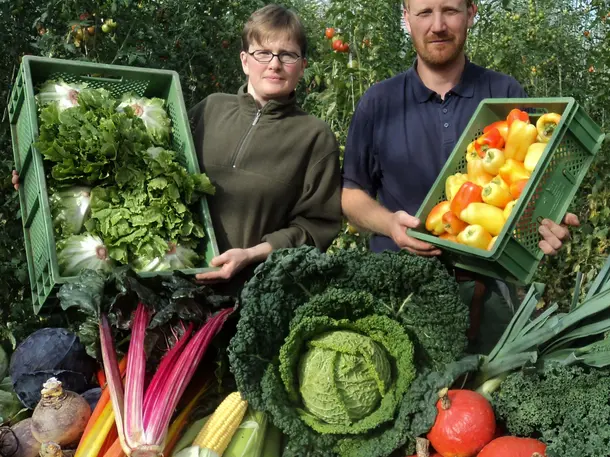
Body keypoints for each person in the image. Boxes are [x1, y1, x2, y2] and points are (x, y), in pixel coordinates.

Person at [13, 4, 343, 294]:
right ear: (245, 61)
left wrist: (252, 254)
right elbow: (140, 166)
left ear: (302, 65)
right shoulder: (211, 109)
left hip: (251, 294)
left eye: (287, 55)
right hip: (171, 279)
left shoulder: (314, 137)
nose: (274, 64)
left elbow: (314, 229)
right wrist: (40, 177)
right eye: (262, 53)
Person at [340, 0, 579, 353]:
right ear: (406, 18)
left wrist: (546, 223)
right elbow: (351, 193)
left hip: (492, 299)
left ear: (471, 12)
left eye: (449, 10)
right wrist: (390, 224)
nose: (437, 25)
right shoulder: (379, 102)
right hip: (401, 294)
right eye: (424, 12)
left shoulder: (505, 94)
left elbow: (528, 184)